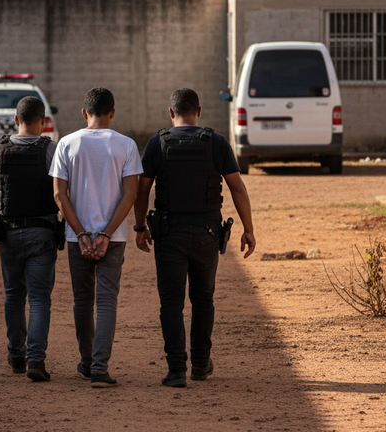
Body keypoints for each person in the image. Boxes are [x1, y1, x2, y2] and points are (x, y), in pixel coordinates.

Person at [134, 88, 256, 388]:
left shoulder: (156, 144)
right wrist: (248, 229)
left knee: (171, 304)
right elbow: (237, 188)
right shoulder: (216, 142)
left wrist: (139, 227)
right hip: (207, 234)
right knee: (203, 301)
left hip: (169, 234)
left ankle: (176, 370)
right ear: (198, 111)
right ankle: (200, 365)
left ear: (170, 113)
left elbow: (142, 189)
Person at [49, 87, 142, 388]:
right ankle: (100, 368)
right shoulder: (126, 145)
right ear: (112, 112)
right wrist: (105, 233)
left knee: (82, 301)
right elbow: (130, 195)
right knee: (106, 300)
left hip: (77, 237)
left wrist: (81, 232)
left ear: (84, 113)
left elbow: (59, 195)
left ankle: (87, 362)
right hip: (112, 238)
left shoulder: (66, 143)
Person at [0, 96, 60, 383]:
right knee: (38, 299)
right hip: (42, 234)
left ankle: (16, 357)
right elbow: (63, 193)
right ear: (43, 120)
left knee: (14, 295)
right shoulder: (51, 150)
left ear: (15, 120)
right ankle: (36, 359)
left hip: (8, 233)